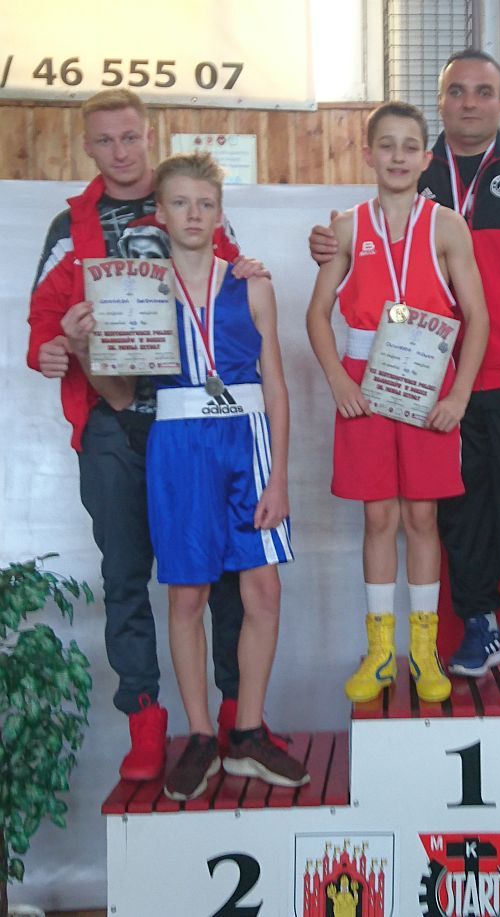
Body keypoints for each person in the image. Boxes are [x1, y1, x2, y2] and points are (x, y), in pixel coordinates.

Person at [310, 51, 500, 687]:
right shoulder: (415, 168)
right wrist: (326, 246)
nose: (470, 103)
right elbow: (357, 254)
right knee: (456, 514)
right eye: (458, 92)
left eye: (483, 92)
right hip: (428, 382)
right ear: (439, 102)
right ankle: (478, 625)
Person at [26, 88, 279, 782]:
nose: (120, 151)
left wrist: (251, 269)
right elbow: (43, 320)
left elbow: (230, 290)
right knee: (126, 575)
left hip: (198, 422)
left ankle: (236, 717)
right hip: (114, 421)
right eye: (105, 140)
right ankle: (147, 722)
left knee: (221, 572)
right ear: (87, 147)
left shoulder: (186, 202)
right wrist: (51, 347)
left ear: (149, 135)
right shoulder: (70, 226)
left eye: (130, 137)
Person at [85, 152, 309, 800]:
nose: (193, 214)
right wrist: (85, 344)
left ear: (219, 213)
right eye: (181, 203)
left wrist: (280, 478)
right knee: (187, 596)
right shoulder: (136, 293)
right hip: (179, 447)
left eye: (205, 204)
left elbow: (276, 384)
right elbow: (117, 392)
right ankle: (202, 736)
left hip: (247, 441)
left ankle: (248, 732)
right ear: (160, 212)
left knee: (263, 591)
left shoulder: (252, 284)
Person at [306, 101, 489, 704]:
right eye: (386, 145)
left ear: (426, 158)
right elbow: (316, 314)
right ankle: (382, 651)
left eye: (410, 147)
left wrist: (459, 395)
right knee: (379, 517)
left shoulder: (448, 227)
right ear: (367, 154)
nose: (398, 157)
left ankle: (425, 649)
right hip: (365, 382)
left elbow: (478, 318)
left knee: (422, 518)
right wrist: (338, 379)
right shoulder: (346, 227)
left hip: (426, 380)